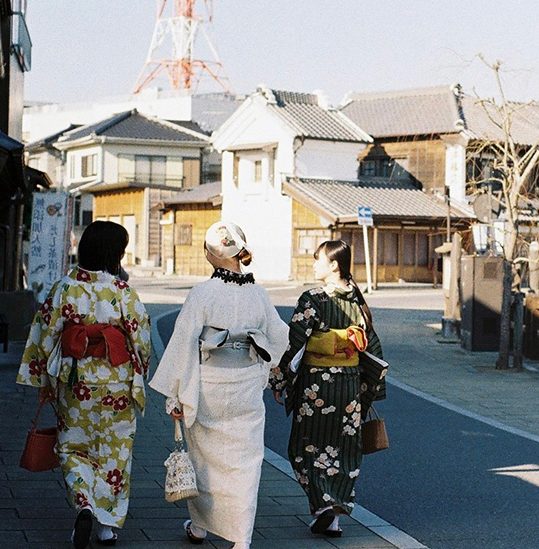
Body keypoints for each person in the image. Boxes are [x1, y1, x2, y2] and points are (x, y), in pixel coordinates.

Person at [149, 221, 289, 549]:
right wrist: (267, 370)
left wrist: (176, 393)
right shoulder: (259, 293)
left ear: (210, 255)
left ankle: (200, 527)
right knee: (245, 461)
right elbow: (280, 336)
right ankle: (241, 539)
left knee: (205, 460)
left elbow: (184, 342)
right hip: (246, 384)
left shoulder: (202, 293)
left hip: (208, 384)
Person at [17, 220, 151, 549]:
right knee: (115, 452)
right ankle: (106, 527)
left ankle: (84, 504)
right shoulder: (123, 292)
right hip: (116, 383)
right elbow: (141, 338)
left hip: (75, 382)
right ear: (114, 255)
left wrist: (43, 379)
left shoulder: (64, 288)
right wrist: (140, 371)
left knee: (73, 447)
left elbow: (45, 334)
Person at [269, 240, 388, 537]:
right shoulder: (358, 300)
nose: (313, 264)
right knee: (344, 448)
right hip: (348, 387)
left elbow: (295, 343)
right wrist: (370, 387)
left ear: (334, 264)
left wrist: (280, 379)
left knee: (305, 446)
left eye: (317, 259)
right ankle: (334, 516)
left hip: (316, 387)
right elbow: (372, 347)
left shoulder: (314, 299)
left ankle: (322, 507)